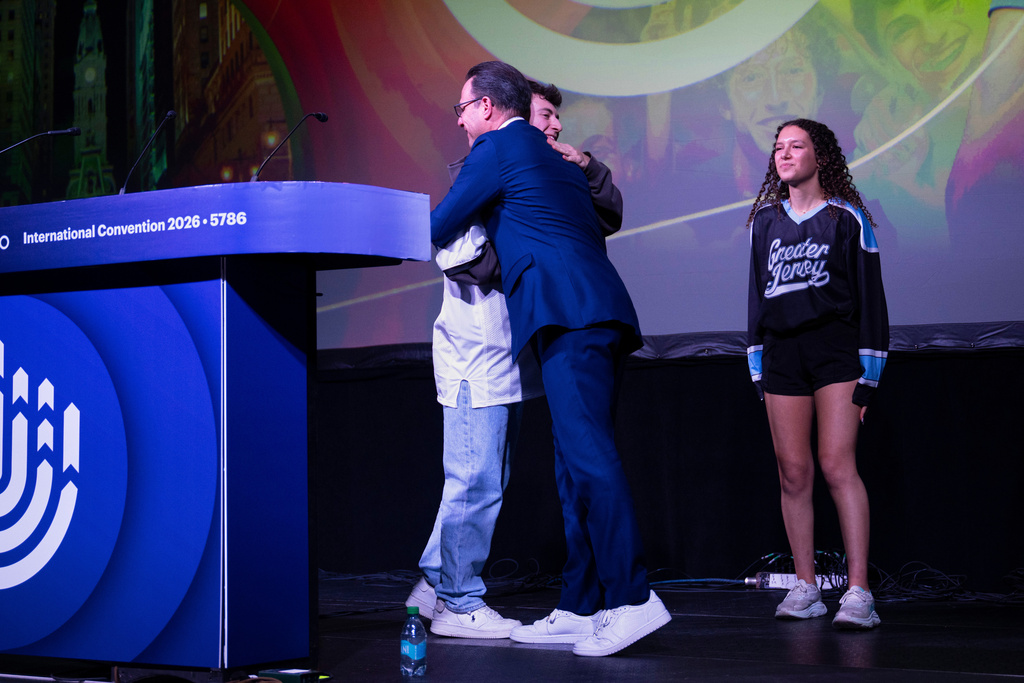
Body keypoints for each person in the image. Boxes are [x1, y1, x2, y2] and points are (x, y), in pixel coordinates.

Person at [431, 61, 671, 657]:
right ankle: (580, 602)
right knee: (572, 465)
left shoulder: (499, 147)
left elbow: (439, 225)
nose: (460, 121)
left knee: (589, 459)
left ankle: (632, 599)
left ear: (486, 107)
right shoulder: (556, 160)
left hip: (569, 314)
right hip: (596, 312)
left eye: (462, 109)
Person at [746, 118, 889, 630]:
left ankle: (858, 592)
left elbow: (872, 301)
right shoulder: (765, 222)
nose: (784, 155)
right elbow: (756, 298)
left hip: (836, 351)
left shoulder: (846, 218)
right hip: (782, 355)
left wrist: (870, 374)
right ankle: (805, 587)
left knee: (835, 465)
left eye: (796, 146)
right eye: (778, 148)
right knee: (793, 471)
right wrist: (757, 361)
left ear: (820, 156)